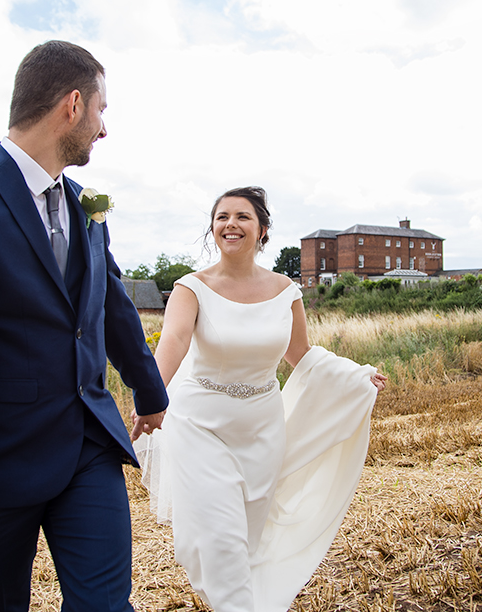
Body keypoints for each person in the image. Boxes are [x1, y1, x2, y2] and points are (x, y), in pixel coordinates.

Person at [0, 40, 169, 612]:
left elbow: (111, 306)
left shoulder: (84, 203)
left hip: (89, 444)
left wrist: (151, 394)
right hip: (0, 459)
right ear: (73, 105)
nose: (104, 130)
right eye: (102, 111)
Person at [135, 186, 386, 612]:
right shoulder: (190, 288)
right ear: (213, 229)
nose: (230, 224)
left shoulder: (286, 290)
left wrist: (352, 375)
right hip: (200, 426)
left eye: (242, 217)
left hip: (262, 429)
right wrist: (150, 396)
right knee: (219, 536)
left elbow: (300, 355)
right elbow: (174, 340)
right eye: (222, 217)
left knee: (247, 541)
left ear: (262, 230)